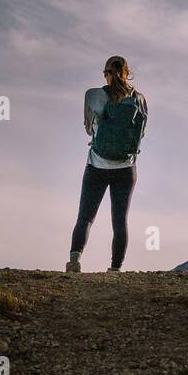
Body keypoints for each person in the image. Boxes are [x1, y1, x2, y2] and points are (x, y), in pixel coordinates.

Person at [65, 56, 148, 273]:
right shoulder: (139, 99)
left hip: (97, 166)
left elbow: (88, 127)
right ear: (126, 72)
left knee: (85, 217)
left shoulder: (94, 95)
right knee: (120, 221)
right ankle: (115, 269)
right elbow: (142, 132)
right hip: (126, 168)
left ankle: (74, 261)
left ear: (106, 73)